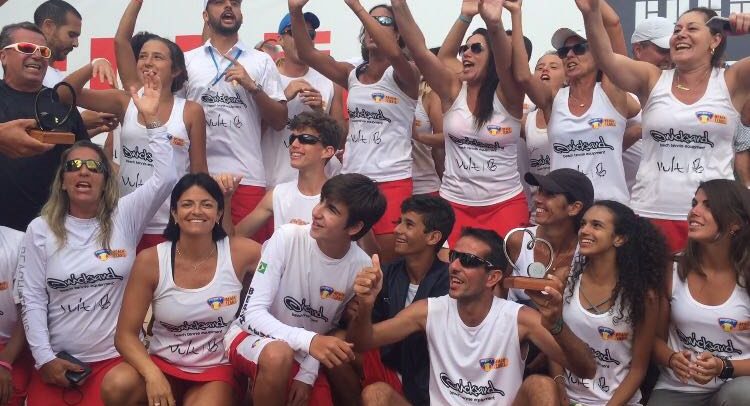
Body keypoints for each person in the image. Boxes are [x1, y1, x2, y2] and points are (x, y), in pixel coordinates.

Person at [15, 73, 181, 406]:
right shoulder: (39, 229)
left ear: (106, 181)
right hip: (59, 363)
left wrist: (152, 121)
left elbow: (166, 178)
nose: (84, 171)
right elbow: (31, 298)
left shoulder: (125, 215)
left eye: (94, 167)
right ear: (63, 181)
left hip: (114, 363)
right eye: (74, 166)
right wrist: (45, 359)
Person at [574, 1, 750, 254]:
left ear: (715, 40)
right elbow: (607, 60)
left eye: (692, 28)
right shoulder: (652, 78)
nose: (681, 34)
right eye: (677, 30)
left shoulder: (732, 80)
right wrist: (591, 13)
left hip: (712, 218)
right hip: (649, 212)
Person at [350, 227, 597, 405]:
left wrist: (556, 324)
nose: (454, 266)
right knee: (376, 394)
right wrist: (366, 304)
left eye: (467, 260)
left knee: (541, 386)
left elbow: (586, 369)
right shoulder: (429, 310)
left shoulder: (519, 318)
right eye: (454, 256)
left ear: (492, 277)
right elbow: (363, 342)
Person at [224, 173, 386, 406]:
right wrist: (310, 342)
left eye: (331, 209)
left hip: (305, 355)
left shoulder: (361, 267)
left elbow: (326, 327)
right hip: (249, 338)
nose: (317, 212)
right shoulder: (287, 237)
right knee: (278, 355)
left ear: (354, 227)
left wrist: (307, 374)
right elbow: (250, 315)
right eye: (322, 201)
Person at [100, 174, 261, 406]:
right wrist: (152, 375)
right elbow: (125, 336)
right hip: (163, 363)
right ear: (174, 213)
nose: (197, 211)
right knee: (117, 384)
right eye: (187, 204)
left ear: (219, 213)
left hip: (216, 369)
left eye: (207, 204)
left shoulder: (241, 252)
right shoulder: (150, 260)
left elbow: (285, 264)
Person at [65, 0, 208, 253]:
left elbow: (199, 173)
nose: (148, 62)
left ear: (176, 70)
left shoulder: (190, 111)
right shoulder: (126, 101)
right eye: (142, 56)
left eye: (157, 57)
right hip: (123, 220)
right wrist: (93, 65)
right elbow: (65, 95)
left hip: (170, 223)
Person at [390, 0, 529, 247]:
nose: (466, 53)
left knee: (503, 270)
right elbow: (420, 52)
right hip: (454, 204)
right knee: (451, 269)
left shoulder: (509, 95)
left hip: (503, 203)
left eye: (476, 48)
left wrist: (494, 24)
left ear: (492, 58)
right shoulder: (452, 90)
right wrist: (399, 5)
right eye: (465, 48)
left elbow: (506, 65)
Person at [289, 0, 419, 263]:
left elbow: (394, 54)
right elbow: (307, 53)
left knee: (385, 261)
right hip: (353, 179)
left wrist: (357, 7)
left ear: (398, 34)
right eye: (371, 22)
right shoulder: (351, 74)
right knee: (346, 256)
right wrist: (295, 10)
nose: (374, 27)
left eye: (384, 22)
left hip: (392, 179)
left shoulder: (407, 73)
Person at [506, 0, 640, 206]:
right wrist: (516, 13)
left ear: (598, 53)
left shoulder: (612, 92)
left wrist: (591, 8)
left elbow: (613, 24)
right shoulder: (553, 100)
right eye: (563, 51)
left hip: (608, 208)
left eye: (579, 48)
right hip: (563, 210)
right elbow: (523, 76)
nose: (569, 55)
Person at [181, 0, 287, 243]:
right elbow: (175, 118)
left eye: (235, 3)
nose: (229, 6)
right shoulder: (187, 61)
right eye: (219, 2)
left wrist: (253, 87)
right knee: (200, 255)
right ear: (205, 15)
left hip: (246, 177)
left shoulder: (261, 61)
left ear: (241, 14)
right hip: (197, 178)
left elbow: (280, 120)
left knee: (246, 256)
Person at [547, 201, 668, 405]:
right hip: (567, 399)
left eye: (596, 225)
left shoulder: (643, 295)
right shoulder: (565, 278)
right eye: (583, 224)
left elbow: (638, 369)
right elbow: (554, 342)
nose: (584, 230)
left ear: (619, 238)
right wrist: (559, 391)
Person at [649, 179, 750, 405]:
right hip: (679, 387)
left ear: (735, 223)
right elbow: (652, 339)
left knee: (743, 394)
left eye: (708, 206)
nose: (694, 211)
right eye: (694, 203)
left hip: (737, 384)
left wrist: (723, 366)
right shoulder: (672, 268)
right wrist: (672, 358)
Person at [357, 195, 455, 405]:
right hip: (394, 370)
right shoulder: (385, 274)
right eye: (399, 222)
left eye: (408, 224)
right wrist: (364, 304)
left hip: (437, 386)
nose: (397, 230)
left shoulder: (451, 284)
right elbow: (363, 337)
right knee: (340, 347)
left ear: (433, 237)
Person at [0, 22, 88, 232]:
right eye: (27, 48)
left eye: (44, 51)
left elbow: (84, 157)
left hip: (53, 229)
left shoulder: (60, 102)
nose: (38, 56)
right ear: (3, 56)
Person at [224, 110, 341, 238]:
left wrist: (305, 235)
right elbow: (232, 239)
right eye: (292, 138)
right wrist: (226, 200)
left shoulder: (341, 197)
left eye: (305, 139)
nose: (294, 145)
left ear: (327, 151)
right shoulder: (277, 194)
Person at [261, 11, 344, 189]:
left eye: (309, 34)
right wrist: (282, 98)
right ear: (280, 39)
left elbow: (340, 139)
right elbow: (251, 132)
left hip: (317, 188)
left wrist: (321, 113)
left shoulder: (328, 79)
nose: (302, 38)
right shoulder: (266, 78)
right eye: (294, 32)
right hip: (271, 183)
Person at [506, 168, 593, 305]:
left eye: (550, 194)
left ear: (574, 208)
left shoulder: (589, 252)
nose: (537, 199)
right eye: (540, 191)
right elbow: (497, 290)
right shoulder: (517, 240)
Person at [34, 0, 119, 138]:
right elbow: (33, 127)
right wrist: (79, 120)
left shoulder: (58, 75)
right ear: (48, 27)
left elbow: (64, 139)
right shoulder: (32, 76)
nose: (76, 43)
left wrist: (99, 128)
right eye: (71, 35)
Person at [623, 17, 673, 194]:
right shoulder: (618, 91)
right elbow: (600, 148)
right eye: (663, 50)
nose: (669, 57)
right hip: (628, 200)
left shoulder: (679, 90)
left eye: (673, 50)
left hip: (671, 197)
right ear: (638, 50)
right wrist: (640, 130)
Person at [0, 226, 33, 406]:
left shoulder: (19, 243)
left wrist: (4, 362)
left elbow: (29, 311)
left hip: (14, 347)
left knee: (7, 392)